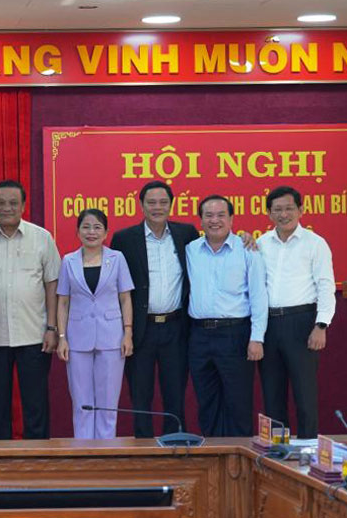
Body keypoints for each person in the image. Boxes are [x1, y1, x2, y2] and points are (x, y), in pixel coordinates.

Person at [0, 179, 61, 440]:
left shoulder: (42, 238)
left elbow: (52, 284)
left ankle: (37, 459)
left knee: (36, 404)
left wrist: (52, 328)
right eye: (1, 203)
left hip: (34, 335)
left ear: (23, 206)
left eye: (13, 203)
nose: (7, 208)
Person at [110, 180, 199, 438]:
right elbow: (116, 285)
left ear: (171, 204)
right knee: (140, 395)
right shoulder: (124, 239)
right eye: (151, 202)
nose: (157, 207)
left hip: (176, 327)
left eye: (163, 202)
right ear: (141, 205)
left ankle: (174, 446)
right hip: (141, 328)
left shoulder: (187, 234)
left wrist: (246, 239)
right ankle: (143, 451)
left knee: (175, 394)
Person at [258, 186, 336, 439]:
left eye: (289, 208)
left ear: (301, 210)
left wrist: (321, 325)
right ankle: (277, 452)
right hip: (269, 325)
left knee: (304, 394)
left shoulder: (315, 243)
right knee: (272, 394)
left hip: (302, 323)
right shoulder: (261, 244)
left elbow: (325, 285)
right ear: (269, 213)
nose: (284, 214)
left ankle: (308, 451)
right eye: (277, 209)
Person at [186, 195, 267, 437]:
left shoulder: (247, 249)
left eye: (221, 215)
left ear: (232, 219)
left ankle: (239, 466)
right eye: (208, 215)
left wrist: (257, 338)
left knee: (238, 402)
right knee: (207, 402)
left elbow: (258, 296)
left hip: (235, 334)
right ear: (200, 220)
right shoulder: (191, 249)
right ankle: (212, 462)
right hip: (199, 335)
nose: (215, 220)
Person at [56, 209, 134, 439]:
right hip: (78, 338)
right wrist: (62, 338)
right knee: (81, 400)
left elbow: (125, 298)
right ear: (78, 231)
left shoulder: (117, 258)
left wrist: (127, 333)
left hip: (112, 337)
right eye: (86, 227)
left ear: (106, 232)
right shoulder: (68, 261)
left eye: (97, 227)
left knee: (109, 400)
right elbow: (63, 301)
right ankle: (83, 451)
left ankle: (107, 451)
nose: (91, 232)